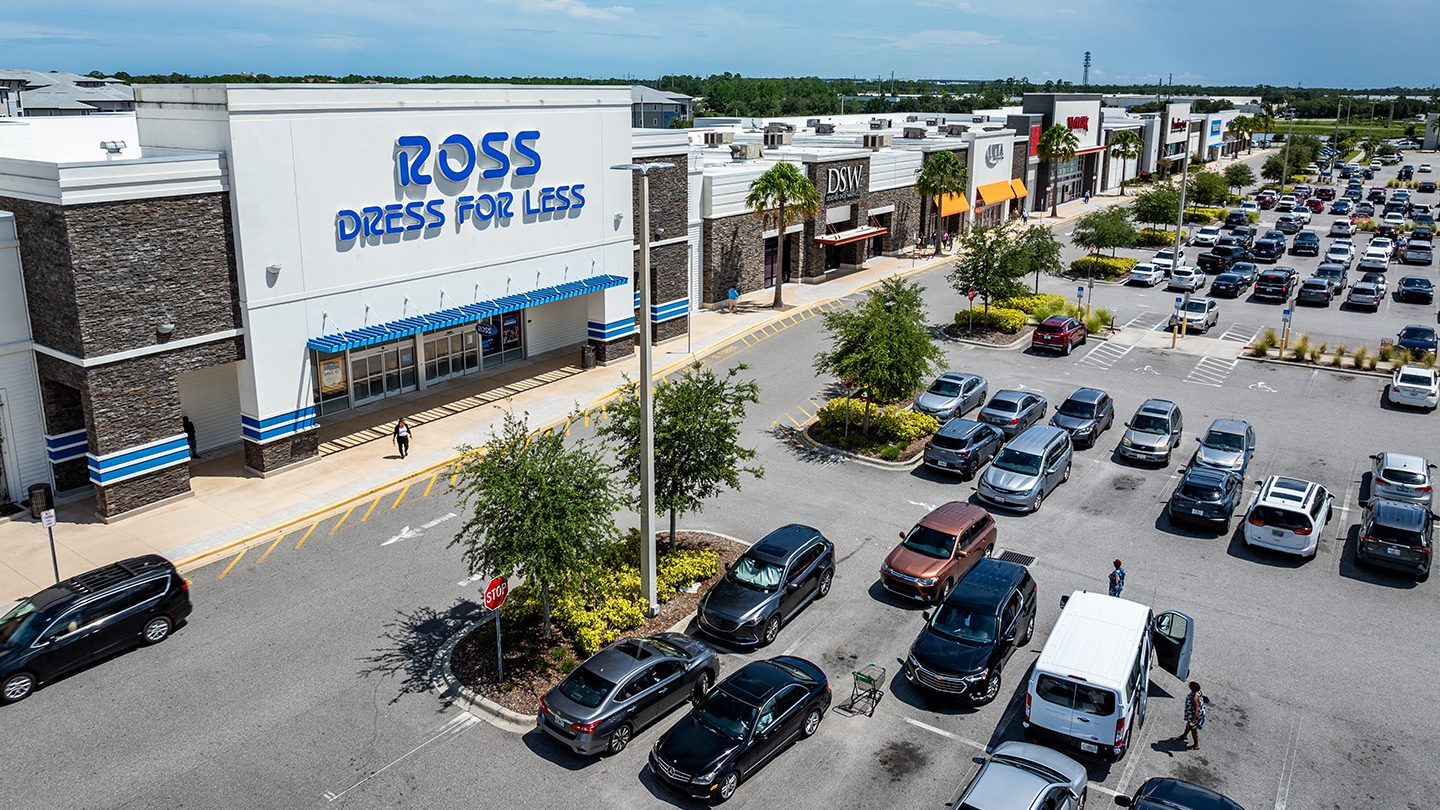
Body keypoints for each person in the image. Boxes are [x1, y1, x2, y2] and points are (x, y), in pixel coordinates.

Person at [1174, 681, 1208, 749]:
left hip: (1195, 716)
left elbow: (1196, 710)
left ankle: (1196, 744)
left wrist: (1193, 721)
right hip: (1192, 714)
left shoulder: (1194, 698)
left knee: (1193, 729)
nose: (1189, 685)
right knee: (1188, 725)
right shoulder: (1199, 691)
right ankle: (1184, 735)